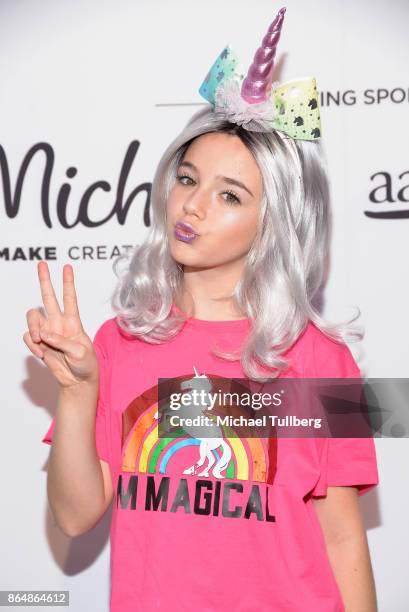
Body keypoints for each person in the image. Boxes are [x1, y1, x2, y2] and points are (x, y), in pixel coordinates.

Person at [24, 7, 379, 612]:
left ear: (276, 222)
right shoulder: (118, 342)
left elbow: (342, 535)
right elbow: (75, 516)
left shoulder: (327, 359)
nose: (192, 206)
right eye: (187, 179)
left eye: (230, 195)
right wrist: (79, 392)